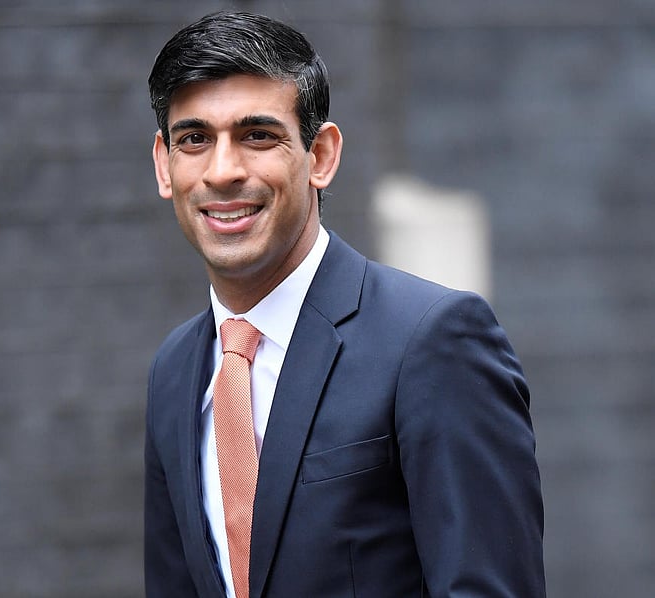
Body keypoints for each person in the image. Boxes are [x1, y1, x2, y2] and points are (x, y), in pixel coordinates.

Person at [144, 11, 545, 598]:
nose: (223, 171)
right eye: (195, 140)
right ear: (164, 164)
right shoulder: (175, 370)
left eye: (258, 135)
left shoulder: (433, 341)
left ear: (322, 156)